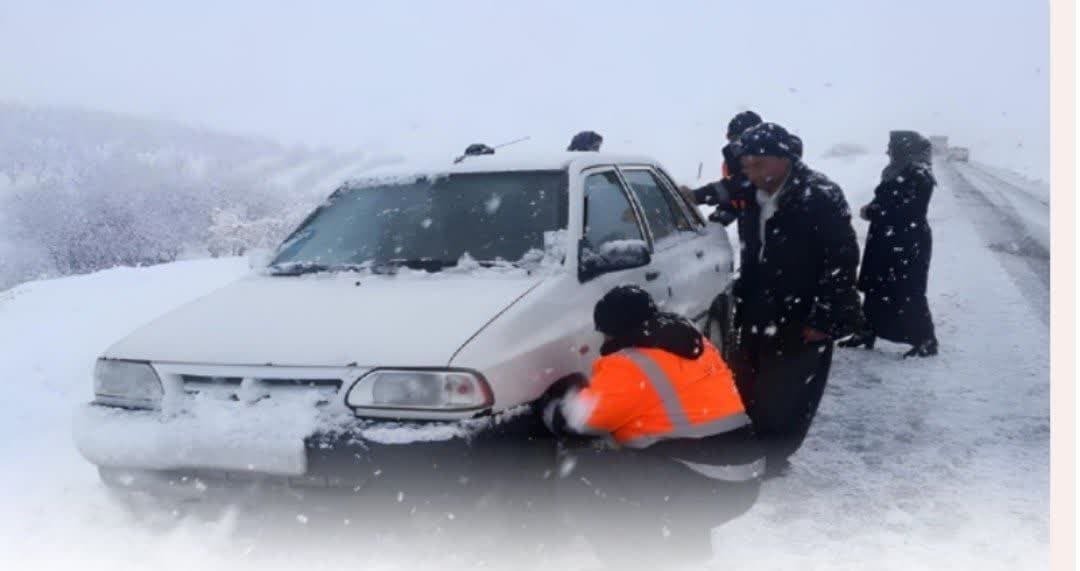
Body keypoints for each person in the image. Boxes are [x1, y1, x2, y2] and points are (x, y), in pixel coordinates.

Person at [544, 285, 763, 567]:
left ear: (614, 330)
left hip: (709, 486)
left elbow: (578, 421)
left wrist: (558, 400)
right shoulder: (692, 342)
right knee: (675, 451)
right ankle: (690, 551)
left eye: (604, 332)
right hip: (744, 480)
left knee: (582, 471)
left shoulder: (631, 364)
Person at [727, 122, 861, 475]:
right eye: (746, 165)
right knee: (747, 383)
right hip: (759, 307)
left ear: (783, 159)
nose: (750, 173)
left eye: (758, 164)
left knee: (787, 394)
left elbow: (842, 259)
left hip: (803, 314)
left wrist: (823, 317)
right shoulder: (752, 192)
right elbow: (724, 195)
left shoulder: (819, 195)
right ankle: (749, 449)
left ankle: (773, 458)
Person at [841, 131, 939, 357]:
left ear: (904, 149)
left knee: (908, 290)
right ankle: (867, 329)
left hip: (906, 240)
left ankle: (925, 339)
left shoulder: (918, 174)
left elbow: (906, 209)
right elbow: (887, 200)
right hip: (887, 237)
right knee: (876, 286)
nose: (888, 151)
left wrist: (874, 211)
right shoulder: (900, 170)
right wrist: (874, 208)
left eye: (891, 147)